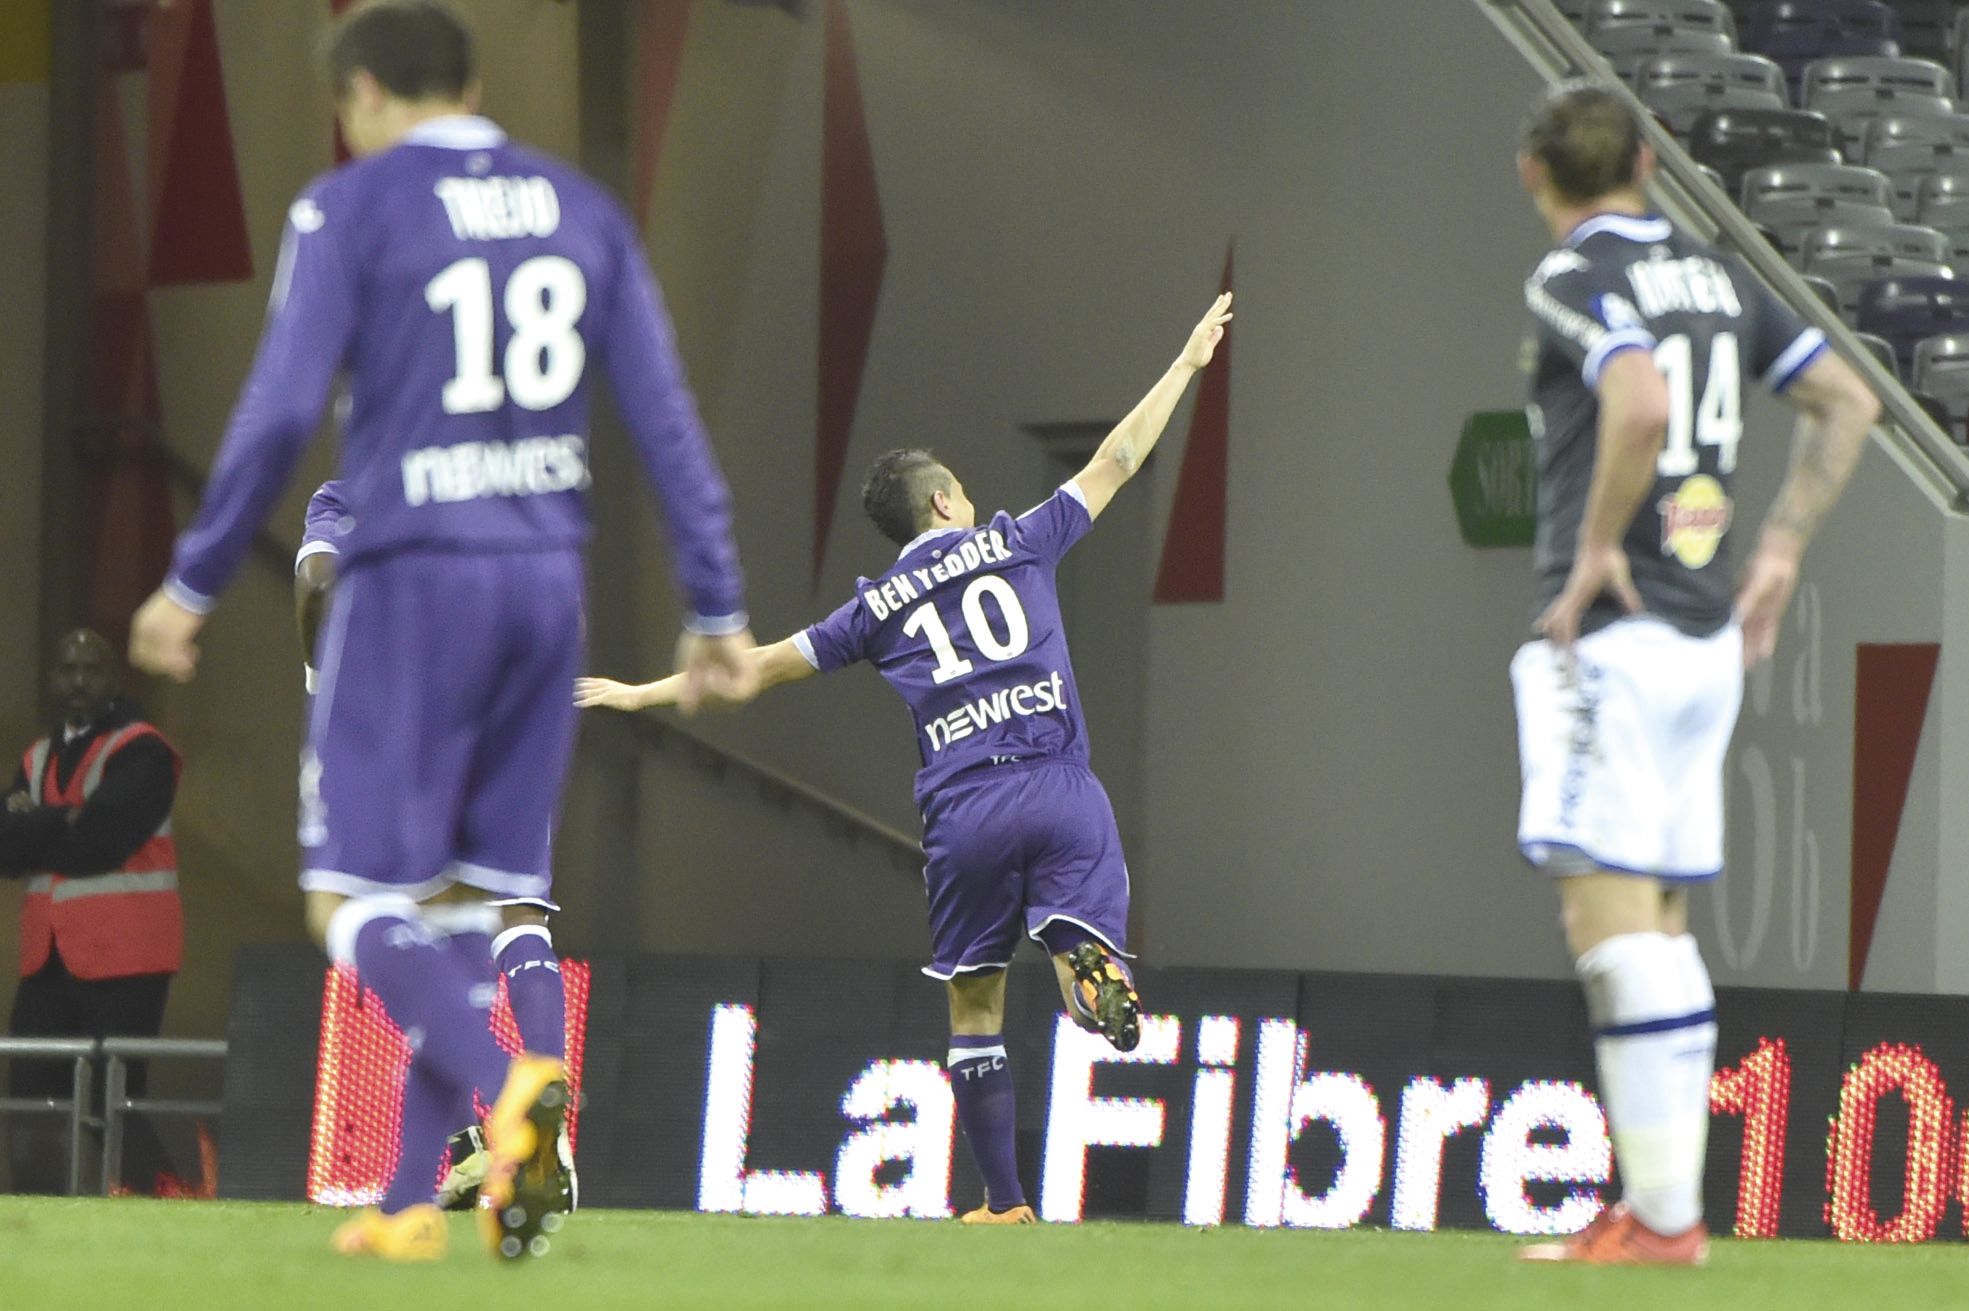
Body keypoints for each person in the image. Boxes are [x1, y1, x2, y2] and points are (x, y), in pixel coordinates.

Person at [128, 0, 754, 1261]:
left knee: (348, 901)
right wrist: (715, 606)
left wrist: (191, 581)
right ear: (470, 84)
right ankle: (412, 1200)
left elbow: (278, 409)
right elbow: (667, 421)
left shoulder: (346, 210)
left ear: (359, 94)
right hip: (545, 592)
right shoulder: (584, 213)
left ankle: (508, 1089)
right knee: (470, 913)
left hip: (416, 584)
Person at [578, 292, 1233, 1224]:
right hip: (1057, 786)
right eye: (959, 486)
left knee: (974, 1010)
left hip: (963, 813)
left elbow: (753, 669)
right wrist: (1186, 364)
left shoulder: (873, 610)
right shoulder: (1018, 538)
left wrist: (640, 694)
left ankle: (1003, 1203)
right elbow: (1117, 459)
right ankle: (1089, 967)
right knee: (1079, 980)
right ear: (943, 501)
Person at [1509, 83, 1878, 1265]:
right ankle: (1659, 1209)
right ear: (1651, 161)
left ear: (1535, 175)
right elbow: (1848, 400)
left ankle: (1665, 1218)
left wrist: (1600, 541)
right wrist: (1777, 548)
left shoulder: (1572, 277)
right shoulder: (1720, 276)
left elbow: (1637, 399)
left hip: (1611, 638)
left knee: (1604, 918)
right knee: (1661, 922)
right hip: (1707, 639)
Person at [295, 479, 571, 1211]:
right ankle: (482, 1162)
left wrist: (326, 678)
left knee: (366, 920)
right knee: (510, 920)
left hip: (401, 729)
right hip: (508, 714)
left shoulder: (353, 489)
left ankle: (505, 1094)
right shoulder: (504, 475)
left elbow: (318, 581)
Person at [0, 630, 182, 1194]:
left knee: (115, 1103)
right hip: (48, 958)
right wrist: (69, 818)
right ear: (53, 679)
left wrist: (38, 824)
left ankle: (168, 1202)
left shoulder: (145, 751)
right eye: (68, 668)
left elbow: (98, 845)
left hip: (127, 956)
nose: (79, 681)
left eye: (92, 669)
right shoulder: (36, 757)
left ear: (114, 679)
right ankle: (42, 1218)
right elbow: (8, 850)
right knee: (27, 1101)